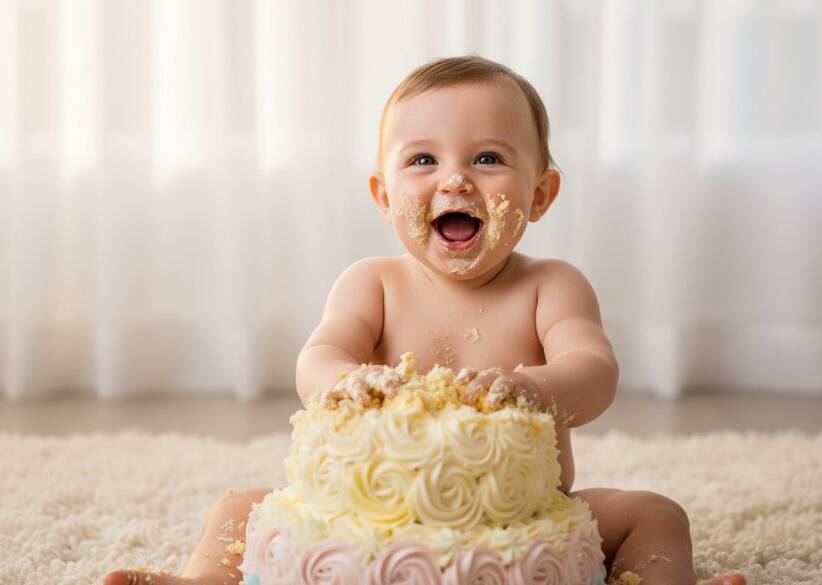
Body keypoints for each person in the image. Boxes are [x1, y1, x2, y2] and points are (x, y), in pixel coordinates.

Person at [105, 55, 745, 585]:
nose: (456, 180)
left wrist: (532, 388)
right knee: (240, 507)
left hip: (524, 517)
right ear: (384, 197)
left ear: (539, 194)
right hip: (369, 519)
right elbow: (317, 358)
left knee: (653, 512)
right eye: (422, 160)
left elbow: (594, 372)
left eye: (488, 158)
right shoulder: (372, 283)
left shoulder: (551, 286)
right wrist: (346, 382)